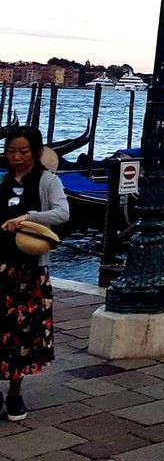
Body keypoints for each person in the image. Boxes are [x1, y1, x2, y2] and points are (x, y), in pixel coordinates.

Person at [0, 126, 69, 421]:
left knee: (22, 334)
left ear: (37, 153)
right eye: (11, 151)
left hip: (28, 270)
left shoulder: (47, 181)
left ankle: (15, 393)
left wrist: (29, 217)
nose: (16, 157)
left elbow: (62, 213)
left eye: (23, 152)